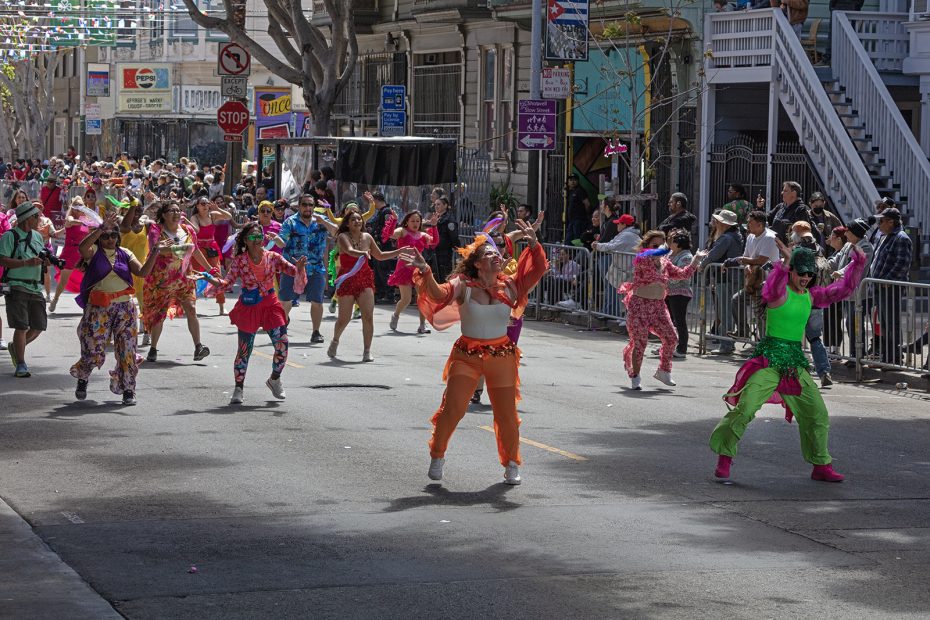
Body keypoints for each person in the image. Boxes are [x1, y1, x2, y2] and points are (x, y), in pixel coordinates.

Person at [403, 220, 547, 485]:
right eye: (490, 254)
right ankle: (437, 454)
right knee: (453, 409)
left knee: (506, 415)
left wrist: (534, 244)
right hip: (467, 355)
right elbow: (437, 294)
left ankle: (512, 463)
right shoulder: (463, 285)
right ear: (477, 263)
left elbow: (537, 269)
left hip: (502, 356)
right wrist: (426, 271)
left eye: (498, 253)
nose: (498, 256)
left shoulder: (511, 285)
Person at [710, 241, 866, 483]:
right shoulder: (778, 293)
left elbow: (843, 290)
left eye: (809, 273)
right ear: (792, 271)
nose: (805, 277)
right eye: (800, 272)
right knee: (746, 409)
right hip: (770, 360)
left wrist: (858, 264)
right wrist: (783, 264)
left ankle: (821, 465)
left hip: (795, 363)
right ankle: (725, 455)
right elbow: (771, 288)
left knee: (818, 415)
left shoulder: (811, 295)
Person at [198, 223, 305, 405]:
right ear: (246, 241)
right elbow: (227, 283)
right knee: (244, 350)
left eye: (259, 237)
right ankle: (239, 388)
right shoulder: (240, 261)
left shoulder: (273, 257)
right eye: (253, 238)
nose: (257, 241)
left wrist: (300, 267)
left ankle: (275, 379)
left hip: (271, 305)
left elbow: (291, 271)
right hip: (249, 306)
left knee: (282, 343)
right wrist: (208, 278)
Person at [69, 212, 163, 405]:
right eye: (106, 236)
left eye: (113, 235)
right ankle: (83, 377)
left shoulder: (125, 253)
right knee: (93, 349)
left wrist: (155, 252)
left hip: (125, 308)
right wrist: (100, 229)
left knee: (127, 350)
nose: (110, 239)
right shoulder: (94, 252)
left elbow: (143, 272)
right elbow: (82, 247)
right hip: (98, 309)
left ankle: (128, 389)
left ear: (118, 237)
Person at [620, 230, 707, 389]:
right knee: (640, 342)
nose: (660, 247)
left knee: (672, 338)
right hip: (640, 306)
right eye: (656, 244)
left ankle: (664, 371)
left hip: (658, 307)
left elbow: (683, 274)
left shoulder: (665, 262)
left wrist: (695, 260)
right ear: (647, 246)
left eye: (662, 244)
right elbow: (654, 277)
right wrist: (663, 253)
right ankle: (635, 376)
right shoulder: (642, 258)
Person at [327, 211, 409, 362]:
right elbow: (350, 251)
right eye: (353, 219)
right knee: (344, 318)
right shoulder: (342, 237)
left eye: (359, 219)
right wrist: (363, 253)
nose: (357, 221)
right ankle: (335, 340)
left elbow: (380, 255)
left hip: (364, 279)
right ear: (347, 223)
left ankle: (366, 351)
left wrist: (400, 251)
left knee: (368, 316)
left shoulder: (367, 237)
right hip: (347, 279)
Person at [142, 200, 213, 363]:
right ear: (164, 215)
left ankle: (198, 347)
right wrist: (179, 248)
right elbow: (157, 249)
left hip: (184, 279)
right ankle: (153, 348)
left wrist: (210, 270)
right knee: (159, 315)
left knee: (191, 308)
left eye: (178, 211)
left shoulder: (187, 230)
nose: (176, 214)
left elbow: (194, 251)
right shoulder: (156, 230)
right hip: (161, 280)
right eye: (171, 211)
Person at [0, 201, 52, 377]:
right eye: (36, 215)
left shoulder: (37, 236)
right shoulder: (10, 236)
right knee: (21, 326)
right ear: (27, 218)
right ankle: (21, 364)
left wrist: (45, 261)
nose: (40, 218)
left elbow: (40, 255)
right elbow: (3, 260)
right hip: (17, 285)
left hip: (35, 287)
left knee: (38, 326)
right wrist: (25, 263)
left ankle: (16, 348)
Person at [273, 194, 330, 344]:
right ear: (299, 206)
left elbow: (337, 230)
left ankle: (316, 332)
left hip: (315, 267)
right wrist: (275, 239)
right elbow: (281, 242)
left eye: (311, 205)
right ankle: (281, 329)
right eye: (305, 204)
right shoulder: (290, 222)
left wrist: (325, 220)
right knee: (286, 300)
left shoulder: (320, 221)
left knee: (317, 301)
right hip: (292, 267)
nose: (308, 208)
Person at [723, 210, 780, 338]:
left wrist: (742, 260)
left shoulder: (770, 238)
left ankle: (764, 345)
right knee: (736, 300)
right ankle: (743, 331)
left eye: (750, 223)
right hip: (754, 280)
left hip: (768, 281)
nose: (747, 225)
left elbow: (761, 260)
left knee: (760, 313)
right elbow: (748, 257)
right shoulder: (750, 236)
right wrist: (747, 264)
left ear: (760, 225)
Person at [868, 207, 913, 365]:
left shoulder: (901, 238)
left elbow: (902, 264)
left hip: (890, 288)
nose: (878, 224)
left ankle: (893, 357)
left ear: (891, 222)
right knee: (885, 324)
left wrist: (887, 281)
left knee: (891, 324)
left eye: (881, 221)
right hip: (880, 287)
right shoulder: (884, 237)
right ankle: (887, 356)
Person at [388, 210, 439, 334]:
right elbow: (390, 234)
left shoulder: (423, 235)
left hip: (418, 268)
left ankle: (422, 325)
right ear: (407, 222)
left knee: (422, 297)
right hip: (404, 267)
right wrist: (394, 220)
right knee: (405, 299)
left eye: (418, 221)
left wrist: (434, 226)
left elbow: (434, 242)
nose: (415, 223)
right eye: (412, 221)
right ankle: (396, 315)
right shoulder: (402, 231)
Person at [705, 209, 744, 354]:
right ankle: (727, 343)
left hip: (726, 278)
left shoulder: (726, 238)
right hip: (731, 277)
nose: (716, 223)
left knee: (725, 312)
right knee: (726, 311)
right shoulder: (735, 235)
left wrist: (701, 265)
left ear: (724, 224)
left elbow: (713, 255)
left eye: (719, 221)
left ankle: (726, 345)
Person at [190, 196, 232, 316]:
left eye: (206, 203)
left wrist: (218, 208)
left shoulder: (213, 214)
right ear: (197, 206)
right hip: (198, 250)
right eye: (202, 203)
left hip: (212, 248)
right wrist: (187, 222)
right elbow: (197, 231)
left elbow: (229, 217)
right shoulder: (195, 217)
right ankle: (192, 305)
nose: (205, 206)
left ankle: (221, 306)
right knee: (195, 276)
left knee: (217, 275)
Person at [119, 197, 153, 346]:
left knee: (144, 303)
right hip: (124, 270)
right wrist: (132, 206)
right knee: (121, 304)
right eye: (134, 208)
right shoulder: (123, 224)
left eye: (139, 208)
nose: (137, 211)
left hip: (141, 269)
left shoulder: (146, 225)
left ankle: (147, 331)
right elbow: (125, 225)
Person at [49, 197, 93, 313]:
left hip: (82, 253)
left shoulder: (86, 219)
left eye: (81, 205)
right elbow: (71, 221)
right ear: (73, 208)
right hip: (70, 253)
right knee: (63, 281)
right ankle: (55, 299)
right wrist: (84, 221)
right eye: (77, 205)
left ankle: (87, 303)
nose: (79, 208)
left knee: (88, 280)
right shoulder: (70, 218)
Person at [593, 213, 640, 318]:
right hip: (622, 269)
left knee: (621, 294)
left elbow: (613, 246)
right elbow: (612, 245)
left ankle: (615, 314)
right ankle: (614, 314)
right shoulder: (626, 234)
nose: (617, 226)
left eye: (619, 224)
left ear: (624, 224)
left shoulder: (628, 235)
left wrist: (598, 245)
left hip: (626, 269)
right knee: (617, 292)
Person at [665, 230, 695, 360]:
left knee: (680, 321)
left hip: (680, 293)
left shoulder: (686, 256)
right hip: (668, 292)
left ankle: (682, 348)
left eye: (672, 241)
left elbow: (681, 275)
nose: (669, 243)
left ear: (679, 244)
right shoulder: (670, 254)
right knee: (668, 321)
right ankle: (667, 346)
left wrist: (664, 278)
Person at [366, 191, 398, 303]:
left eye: (373, 201)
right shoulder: (379, 212)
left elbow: (387, 229)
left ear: (377, 200)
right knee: (378, 270)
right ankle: (381, 293)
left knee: (384, 269)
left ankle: (389, 294)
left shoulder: (386, 212)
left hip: (384, 246)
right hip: (377, 246)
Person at [432, 196, 460, 284]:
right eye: (435, 204)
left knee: (443, 275)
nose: (436, 206)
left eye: (438, 204)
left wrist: (456, 247)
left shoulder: (449, 219)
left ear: (445, 206)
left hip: (444, 252)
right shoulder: (437, 217)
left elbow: (454, 236)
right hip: (435, 250)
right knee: (435, 274)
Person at [564, 174, 591, 245]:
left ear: (578, 181)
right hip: (572, 220)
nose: (573, 182)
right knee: (569, 239)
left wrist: (587, 214)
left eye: (575, 180)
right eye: (571, 180)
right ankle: (568, 254)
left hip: (579, 220)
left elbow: (587, 204)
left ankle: (577, 254)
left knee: (577, 238)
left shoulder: (580, 190)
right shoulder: (570, 191)